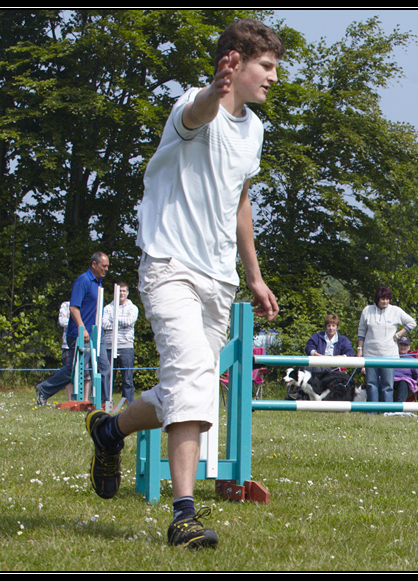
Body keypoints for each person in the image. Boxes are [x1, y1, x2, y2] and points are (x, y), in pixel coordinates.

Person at [84, 19, 283, 550]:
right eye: (266, 66)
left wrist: (254, 275)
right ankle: (184, 515)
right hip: (170, 265)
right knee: (195, 379)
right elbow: (197, 116)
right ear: (234, 63)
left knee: (181, 388)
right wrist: (213, 93)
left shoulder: (254, 131)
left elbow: (239, 199)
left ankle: (110, 431)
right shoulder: (191, 106)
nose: (273, 78)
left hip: (219, 279)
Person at [36, 252, 109, 405]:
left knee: (105, 367)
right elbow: (74, 307)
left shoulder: (98, 282)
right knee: (76, 369)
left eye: (107, 266)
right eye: (104, 266)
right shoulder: (82, 281)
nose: (106, 269)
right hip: (81, 333)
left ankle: (104, 403)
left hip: (97, 333)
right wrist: (82, 327)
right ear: (94, 264)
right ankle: (44, 389)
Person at [357, 286, 416, 402]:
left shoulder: (396, 311)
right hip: (370, 354)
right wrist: (359, 349)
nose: (385, 301)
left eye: (387, 298)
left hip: (389, 355)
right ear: (377, 299)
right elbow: (361, 331)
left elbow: (412, 323)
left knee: (388, 385)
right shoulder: (367, 310)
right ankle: (372, 412)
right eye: (383, 299)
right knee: (371, 384)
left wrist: (398, 335)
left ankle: (387, 412)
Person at [98, 282, 139, 407]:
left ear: (127, 292)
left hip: (126, 346)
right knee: (108, 377)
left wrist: (114, 319)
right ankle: (105, 403)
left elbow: (129, 321)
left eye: (124, 291)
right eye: (119, 291)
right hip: (109, 346)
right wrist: (120, 321)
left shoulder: (133, 308)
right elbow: (103, 323)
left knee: (127, 379)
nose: (121, 293)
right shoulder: (107, 308)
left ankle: (128, 405)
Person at [393, 336, 418, 402]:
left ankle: (399, 409)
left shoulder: (412, 360)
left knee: (403, 383)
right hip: (390, 381)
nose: (403, 347)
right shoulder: (391, 357)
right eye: (401, 344)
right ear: (397, 346)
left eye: (405, 345)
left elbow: (417, 376)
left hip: (404, 384)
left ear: (409, 348)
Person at [58, 300, 74, 400]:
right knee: (68, 373)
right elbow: (62, 322)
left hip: (84, 344)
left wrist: (70, 321)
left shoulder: (87, 304)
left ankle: (85, 400)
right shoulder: (65, 305)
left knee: (85, 373)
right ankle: (70, 400)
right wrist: (78, 321)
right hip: (67, 345)